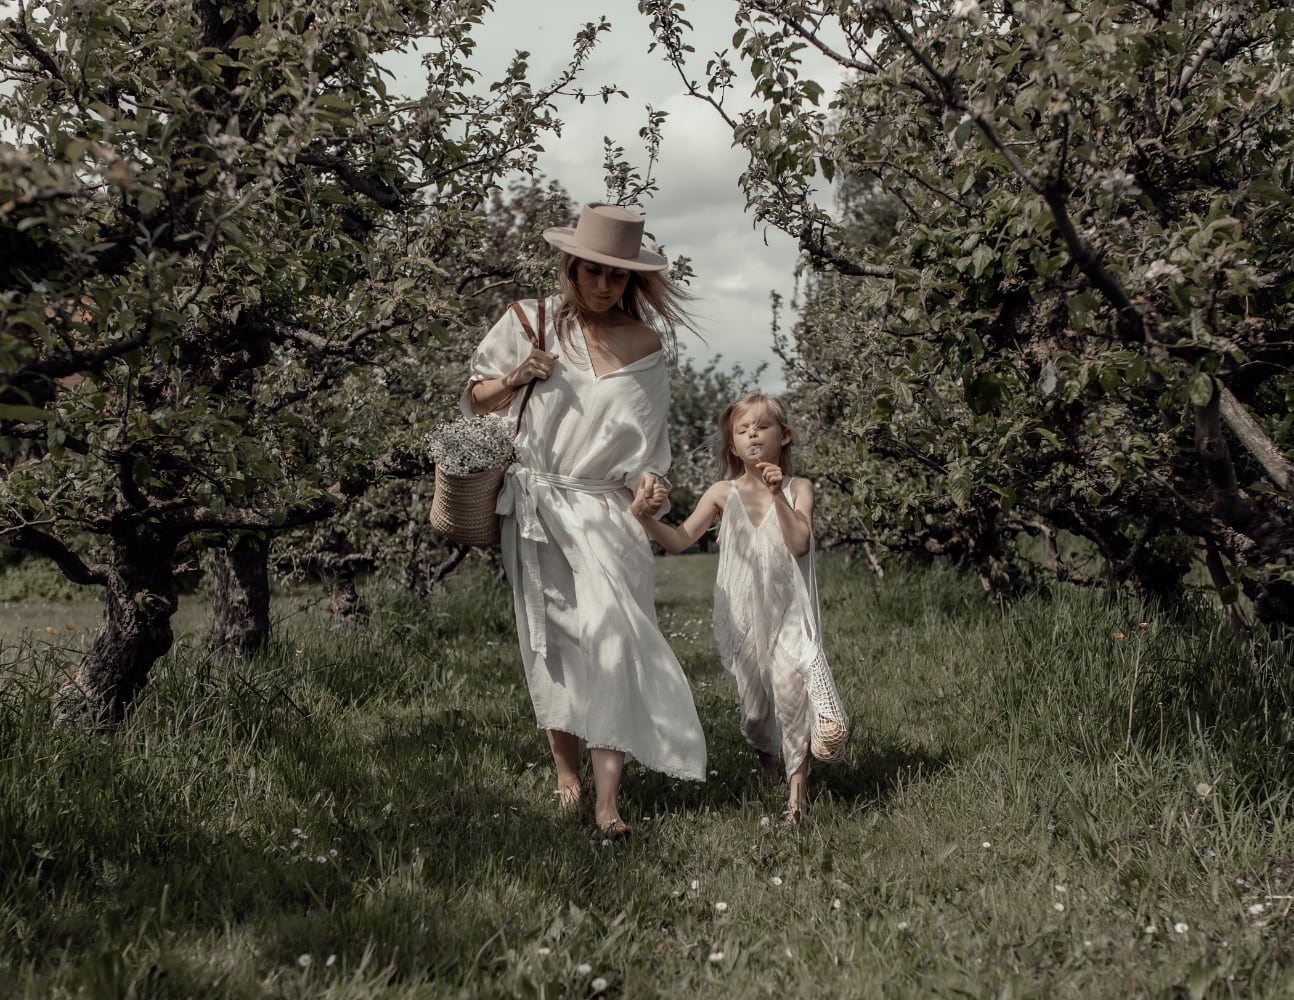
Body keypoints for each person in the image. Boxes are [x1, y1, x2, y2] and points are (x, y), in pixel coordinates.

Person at [463, 202, 707, 836]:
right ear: (571, 267)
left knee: (613, 639)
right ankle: (567, 778)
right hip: (539, 508)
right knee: (552, 644)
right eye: (593, 271)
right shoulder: (531, 321)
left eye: (616, 275)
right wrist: (517, 375)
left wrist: (652, 486)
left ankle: (607, 801)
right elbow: (475, 398)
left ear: (632, 280)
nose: (603, 284)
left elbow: (649, 450)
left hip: (607, 512)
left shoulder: (646, 346)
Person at [631, 392, 840, 822]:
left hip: (789, 612)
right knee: (756, 711)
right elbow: (679, 541)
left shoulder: (799, 488)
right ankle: (767, 763)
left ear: (784, 435)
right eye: (742, 430)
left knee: (791, 696)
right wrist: (645, 518)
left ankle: (796, 799)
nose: (752, 435)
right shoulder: (722, 493)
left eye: (762, 427)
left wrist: (777, 494)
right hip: (742, 614)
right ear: (732, 445)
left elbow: (800, 545)